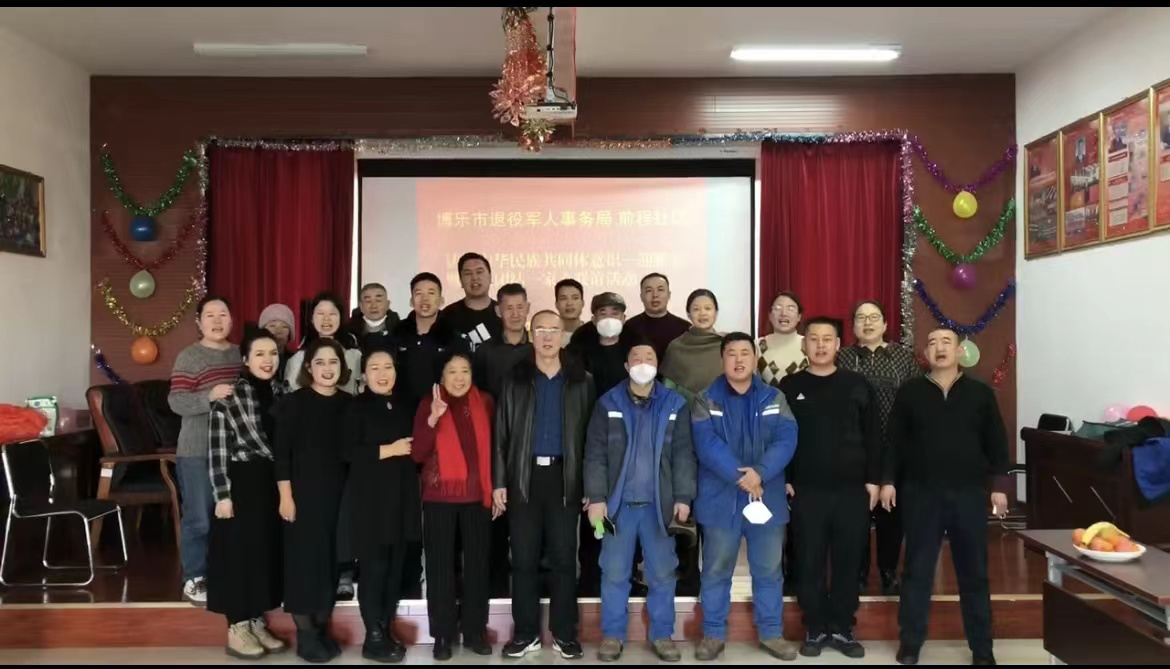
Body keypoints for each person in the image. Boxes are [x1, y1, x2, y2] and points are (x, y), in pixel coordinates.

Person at [880, 327, 1010, 667]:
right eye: (933, 343)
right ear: (926, 353)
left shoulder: (980, 393)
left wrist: (1000, 486)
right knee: (917, 571)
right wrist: (888, 480)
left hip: (968, 494)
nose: (939, 348)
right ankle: (911, 643)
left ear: (959, 351)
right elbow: (894, 441)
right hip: (921, 493)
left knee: (974, 572)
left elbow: (997, 442)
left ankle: (982, 648)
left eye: (946, 342)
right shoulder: (910, 392)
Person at [585, 340, 696, 662]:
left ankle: (662, 635)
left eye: (650, 357)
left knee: (663, 573)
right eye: (637, 357)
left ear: (658, 365)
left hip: (659, 506)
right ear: (626, 366)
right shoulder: (608, 402)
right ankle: (612, 636)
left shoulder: (674, 404)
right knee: (614, 572)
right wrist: (596, 498)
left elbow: (684, 454)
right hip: (617, 508)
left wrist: (683, 496)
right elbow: (595, 455)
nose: (643, 362)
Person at [493, 310, 595, 660]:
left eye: (554, 330)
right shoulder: (516, 378)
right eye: (541, 330)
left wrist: (590, 484)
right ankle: (525, 634)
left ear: (563, 335)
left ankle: (565, 634)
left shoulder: (581, 380)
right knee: (523, 559)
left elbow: (591, 439)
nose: (548, 336)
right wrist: (499, 482)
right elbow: (501, 434)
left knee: (565, 559)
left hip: (566, 478)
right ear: (531, 334)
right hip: (524, 478)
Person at [691, 333, 799, 662]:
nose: (738, 360)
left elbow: (787, 439)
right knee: (715, 571)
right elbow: (707, 444)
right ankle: (713, 634)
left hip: (766, 498)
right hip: (720, 499)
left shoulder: (774, 397)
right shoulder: (705, 399)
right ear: (722, 359)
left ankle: (771, 633)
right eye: (731, 354)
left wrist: (760, 473)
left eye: (745, 353)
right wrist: (744, 477)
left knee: (768, 571)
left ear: (755, 359)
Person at [778, 318, 880, 659]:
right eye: (813, 339)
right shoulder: (790, 386)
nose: (820, 345)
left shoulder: (857, 384)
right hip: (806, 490)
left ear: (838, 345)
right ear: (804, 344)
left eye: (827, 339)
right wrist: (785, 478)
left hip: (852, 490)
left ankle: (842, 627)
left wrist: (874, 479)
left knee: (849, 560)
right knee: (808, 559)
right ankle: (815, 626)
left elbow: (873, 435)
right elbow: (779, 436)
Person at [206, 328, 287, 659]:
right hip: (242, 481)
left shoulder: (283, 392)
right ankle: (236, 626)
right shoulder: (229, 396)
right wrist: (222, 495)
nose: (268, 361)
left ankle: (255, 620)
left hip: (274, 482)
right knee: (238, 554)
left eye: (273, 354)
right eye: (259, 354)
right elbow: (217, 450)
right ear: (245, 359)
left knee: (263, 552)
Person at [412, 353, 497, 661]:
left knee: (477, 567)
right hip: (439, 498)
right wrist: (433, 418)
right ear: (442, 376)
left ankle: (475, 631)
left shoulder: (485, 402)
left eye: (465, 371)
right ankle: (442, 635)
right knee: (440, 569)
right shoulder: (429, 402)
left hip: (477, 498)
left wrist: (495, 490)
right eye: (452, 372)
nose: (459, 378)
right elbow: (418, 454)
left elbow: (497, 449)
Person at [275, 338, 352, 663]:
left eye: (333, 362)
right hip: (302, 495)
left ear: (342, 366)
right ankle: (306, 636)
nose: (327, 368)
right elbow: (282, 454)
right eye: (320, 362)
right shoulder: (294, 403)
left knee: (329, 563)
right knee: (304, 565)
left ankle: (321, 630)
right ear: (309, 367)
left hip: (339, 495)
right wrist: (285, 496)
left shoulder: (349, 403)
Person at [837, 300, 920, 595]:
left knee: (891, 514)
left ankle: (888, 570)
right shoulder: (842, 357)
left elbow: (915, 401)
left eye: (874, 317)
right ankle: (857, 572)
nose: (868, 322)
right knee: (855, 515)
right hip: (853, 448)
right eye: (861, 318)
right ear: (853, 326)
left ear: (885, 324)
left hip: (895, 446)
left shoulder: (903, 357)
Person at [342, 347, 419, 663]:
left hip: (401, 499)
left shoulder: (404, 405)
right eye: (375, 367)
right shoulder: (355, 407)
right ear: (364, 374)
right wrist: (390, 449)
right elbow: (347, 451)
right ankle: (372, 638)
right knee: (374, 570)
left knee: (394, 570)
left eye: (388, 367)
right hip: (370, 502)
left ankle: (384, 630)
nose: (382, 373)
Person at [168, 296, 240, 604]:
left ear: (231, 319)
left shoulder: (239, 354)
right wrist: (209, 396)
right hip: (197, 449)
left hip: (234, 450)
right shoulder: (189, 356)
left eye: (223, 314)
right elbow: (176, 401)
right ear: (199, 322)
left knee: (230, 516)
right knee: (200, 517)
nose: (217, 320)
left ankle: (223, 572)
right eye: (210, 315)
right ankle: (194, 577)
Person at [471, 282, 532, 598]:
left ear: (528, 309)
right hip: (493, 447)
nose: (515, 313)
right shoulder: (485, 352)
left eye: (520, 307)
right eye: (509, 308)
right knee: (494, 524)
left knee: (528, 529)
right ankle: (494, 595)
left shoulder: (538, 350)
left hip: (531, 448)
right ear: (498, 311)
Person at [284, 293, 363, 395]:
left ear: (340, 317)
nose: (326, 318)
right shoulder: (298, 358)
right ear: (311, 319)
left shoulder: (355, 356)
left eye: (332, 314)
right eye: (320, 313)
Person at [660, 289, 724, 400]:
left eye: (708, 308)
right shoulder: (676, 347)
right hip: (685, 407)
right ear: (689, 315)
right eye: (696, 309)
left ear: (716, 312)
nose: (702, 313)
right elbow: (668, 390)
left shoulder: (727, 345)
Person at [442, 252, 502, 352]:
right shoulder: (448, 315)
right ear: (461, 280)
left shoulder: (503, 313)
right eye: (468, 273)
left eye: (479, 272)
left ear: (490, 277)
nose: (474, 278)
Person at [625, 273, 690, 364]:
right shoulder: (629, 327)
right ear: (641, 296)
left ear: (669, 295)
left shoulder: (684, 328)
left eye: (660, 290)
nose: (655, 295)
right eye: (649, 290)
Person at [757, 291, 808, 388]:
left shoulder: (809, 344)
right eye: (778, 308)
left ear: (799, 317)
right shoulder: (757, 346)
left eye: (791, 308)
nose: (784, 313)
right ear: (770, 315)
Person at [350, 282, 401, 354]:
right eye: (368, 301)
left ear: (388, 304)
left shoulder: (401, 331)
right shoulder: (348, 333)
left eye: (378, 301)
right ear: (361, 306)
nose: (373, 306)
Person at [258, 302, 296, 373]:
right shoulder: (254, 360)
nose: (278, 331)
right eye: (272, 326)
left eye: (284, 327)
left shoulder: (296, 360)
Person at [555, 278, 586, 348]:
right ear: (556, 304)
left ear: (582, 303)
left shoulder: (592, 333)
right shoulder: (548, 337)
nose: (569, 303)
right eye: (563, 298)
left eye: (575, 298)